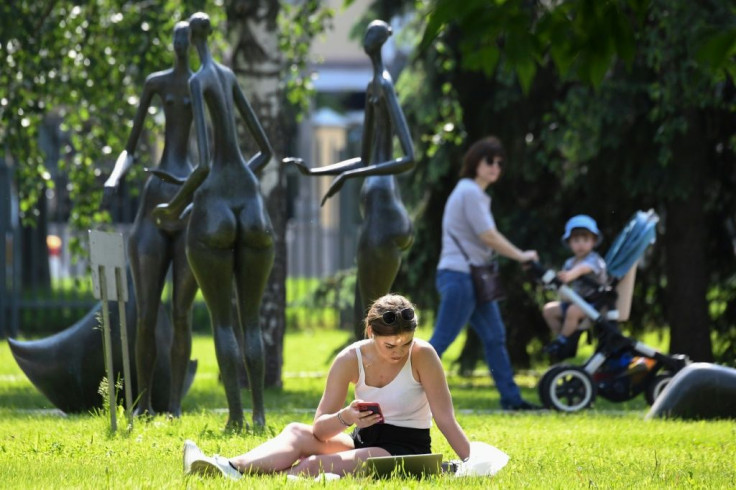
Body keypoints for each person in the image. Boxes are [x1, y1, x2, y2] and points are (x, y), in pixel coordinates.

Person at [182, 294, 472, 479]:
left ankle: (244, 474)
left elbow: (445, 418)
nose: (399, 351)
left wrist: (471, 462)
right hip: (362, 440)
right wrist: (347, 416)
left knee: (310, 466)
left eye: (406, 342)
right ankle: (228, 466)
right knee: (297, 431)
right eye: (390, 344)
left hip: (402, 449)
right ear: (371, 332)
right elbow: (320, 429)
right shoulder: (350, 359)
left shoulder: (423, 355)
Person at [152, 11, 274, 430]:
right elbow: (265, 150)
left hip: (217, 205)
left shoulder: (198, 79)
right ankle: (260, 415)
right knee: (252, 320)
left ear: (190, 40)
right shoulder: (229, 75)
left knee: (224, 319)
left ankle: (236, 418)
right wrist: (241, 181)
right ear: (214, 34)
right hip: (251, 201)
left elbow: (203, 164)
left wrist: (175, 205)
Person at [283, 19, 415, 340]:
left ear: (382, 40)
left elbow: (408, 157)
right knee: (366, 311)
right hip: (374, 212)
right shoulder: (372, 85)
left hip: (385, 214)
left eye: (373, 33)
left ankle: (384, 380)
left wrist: (350, 176)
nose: (367, 38)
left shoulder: (384, 83)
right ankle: (371, 382)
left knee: (374, 312)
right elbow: (367, 158)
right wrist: (315, 171)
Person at [102, 21, 198, 417]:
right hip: (156, 197)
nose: (178, 42)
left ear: (192, 43)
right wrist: (113, 177)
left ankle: (173, 405)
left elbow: (214, 147)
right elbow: (129, 145)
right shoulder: (156, 82)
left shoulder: (202, 83)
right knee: (144, 313)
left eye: (184, 37)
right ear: (170, 42)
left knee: (181, 312)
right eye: (173, 36)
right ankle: (141, 403)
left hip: (186, 198)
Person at [429, 136, 540, 411]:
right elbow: (488, 236)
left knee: (495, 337)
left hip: (471, 278)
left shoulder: (473, 193)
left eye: (500, 163)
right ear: (475, 162)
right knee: (439, 343)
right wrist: (521, 255)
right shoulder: (469, 192)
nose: (495, 167)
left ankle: (512, 400)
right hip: (459, 277)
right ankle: (400, 397)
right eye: (489, 161)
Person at [542, 214, 607, 360]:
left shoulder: (595, 260)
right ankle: (564, 340)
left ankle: (563, 342)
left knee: (572, 311)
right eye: (576, 240)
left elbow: (583, 269)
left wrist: (570, 275)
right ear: (569, 243)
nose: (581, 244)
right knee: (549, 310)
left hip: (594, 304)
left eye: (585, 240)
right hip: (577, 302)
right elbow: (563, 284)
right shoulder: (569, 262)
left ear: (593, 241)